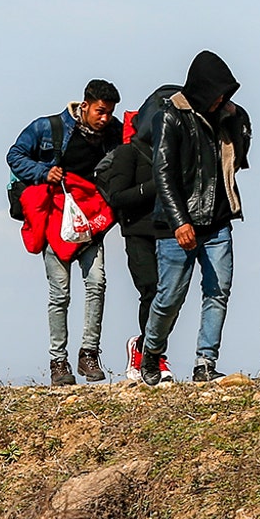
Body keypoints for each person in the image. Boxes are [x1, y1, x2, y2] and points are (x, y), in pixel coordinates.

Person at [138, 51, 252, 385]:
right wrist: (179, 222)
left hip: (217, 221)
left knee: (218, 291)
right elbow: (163, 174)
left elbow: (240, 155)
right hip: (178, 225)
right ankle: (152, 352)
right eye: (217, 93)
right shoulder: (169, 117)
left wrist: (236, 121)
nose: (222, 99)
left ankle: (205, 362)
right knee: (170, 297)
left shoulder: (226, 116)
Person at [7, 81, 125, 384]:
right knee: (60, 295)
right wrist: (43, 172)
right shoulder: (48, 128)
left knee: (97, 284)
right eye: (100, 111)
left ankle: (88, 354)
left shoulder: (114, 131)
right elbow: (15, 155)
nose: (105, 118)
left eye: (110, 113)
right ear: (84, 106)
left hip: (91, 222)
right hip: (55, 221)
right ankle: (58, 363)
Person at [95, 115, 173, 383]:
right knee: (150, 290)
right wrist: (158, 185)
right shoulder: (128, 153)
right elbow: (117, 197)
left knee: (170, 296)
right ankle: (152, 356)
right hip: (138, 231)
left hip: (170, 231)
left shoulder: (173, 151)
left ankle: (145, 346)